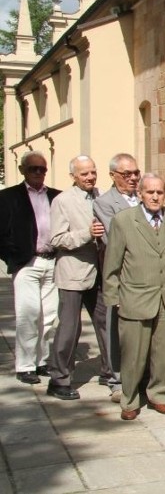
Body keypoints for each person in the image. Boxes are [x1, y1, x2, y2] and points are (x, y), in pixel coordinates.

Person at [102, 173, 165, 420]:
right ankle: (129, 400)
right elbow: (112, 262)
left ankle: (160, 395)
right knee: (133, 355)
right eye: (150, 192)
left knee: (163, 355)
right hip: (134, 298)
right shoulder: (124, 220)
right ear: (140, 194)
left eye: (159, 192)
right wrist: (112, 296)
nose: (155, 196)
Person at [46, 155, 109, 400]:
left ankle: (109, 370)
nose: (90, 177)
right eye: (84, 174)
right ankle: (59, 378)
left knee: (105, 324)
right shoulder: (62, 201)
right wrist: (86, 234)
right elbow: (57, 239)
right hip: (72, 273)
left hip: (99, 273)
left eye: (93, 172)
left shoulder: (102, 196)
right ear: (73, 176)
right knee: (70, 328)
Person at [0, 151, 60, 385]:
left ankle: (41, 361)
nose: (38, 173)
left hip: (52, 261)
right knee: (28, 314)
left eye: (42, 169)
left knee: (49, 315)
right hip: (27, 263)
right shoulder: (8, 197)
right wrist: (12, 256)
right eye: (33, 168)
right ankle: (25, 366)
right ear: (23, 170)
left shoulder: (55, 196)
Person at [94, 152, 141, 402]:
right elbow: (114, 236)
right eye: (127, 174)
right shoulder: (104, 202)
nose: (133, 178)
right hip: (121, 273)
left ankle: (140, 376)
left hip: (146, 276)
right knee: (116, 326)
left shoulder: (145, 196)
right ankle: (116, 379)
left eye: (136, 173)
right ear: (113, 175)